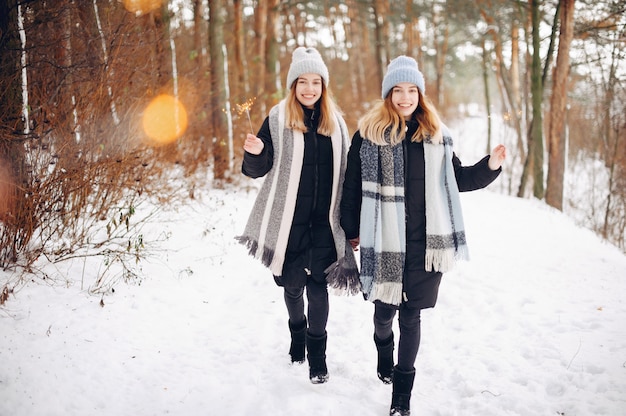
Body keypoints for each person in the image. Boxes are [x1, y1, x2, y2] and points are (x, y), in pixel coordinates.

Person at [340, 56, 506, 415]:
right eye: (397, 90)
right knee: (384, 314)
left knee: (411, 317)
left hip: (426, 244)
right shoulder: (367, 136)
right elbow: (352, 187)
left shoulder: (435, 136)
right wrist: (351, 232)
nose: (404, 97)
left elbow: (456, 180)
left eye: (411, 90)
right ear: (388, 94)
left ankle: (402, 396)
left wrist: (491, 165)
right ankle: (384, 349)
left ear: (420, 94)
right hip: (383, 241)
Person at [237, 47, 358, 384]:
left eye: (315, 82)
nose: (309, 89)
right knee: (292, 287)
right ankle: (297, 333)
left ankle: (317, 359)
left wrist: (351, 224)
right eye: (302, 82)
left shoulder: (337, 124)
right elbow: (256, 170)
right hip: (288, 224)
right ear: (293, 85)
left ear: (323, 85)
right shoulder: (277, 119)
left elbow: (348, 176)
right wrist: (256, 154)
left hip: (324, 224)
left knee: (318, 290)